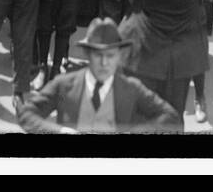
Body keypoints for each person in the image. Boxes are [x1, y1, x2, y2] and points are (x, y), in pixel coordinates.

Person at [18, 18, 178, 133]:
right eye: (98, 55)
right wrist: (59, 131)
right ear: (87, 54)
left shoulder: (131, 89)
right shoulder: (64, 87)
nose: (104, 63)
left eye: (110, 56)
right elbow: (27, 114)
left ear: (119, 56)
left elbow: (169, 116)